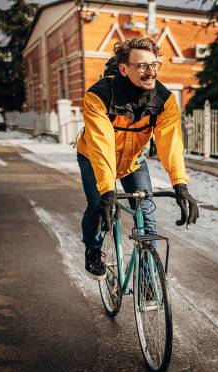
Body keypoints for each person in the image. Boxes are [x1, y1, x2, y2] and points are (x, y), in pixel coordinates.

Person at [76, 37, 199, 280]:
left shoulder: (164, 100)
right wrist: (107, 191)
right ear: (123, 69)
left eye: (154, 65)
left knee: (147, 220)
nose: (150, 72)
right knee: (97, 206)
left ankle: (148, 281)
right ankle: (93, 249)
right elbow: (101, 145)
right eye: (142, 66)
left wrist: (180, 184)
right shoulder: (98, 96)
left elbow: (171, 143)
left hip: (133, 161)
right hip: (94, 158)